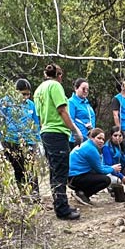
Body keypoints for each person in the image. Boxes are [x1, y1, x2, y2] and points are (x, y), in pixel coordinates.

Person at [34, 63, 84, 220]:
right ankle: (62, 209)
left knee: (54, 171)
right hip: (57, 132)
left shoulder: (38, 90)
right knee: (61, 172)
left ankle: (60, 204)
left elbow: (39, 115)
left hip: (46, 132)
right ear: (59, 75)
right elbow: (62, 110)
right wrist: (75, 130)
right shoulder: (55, 86)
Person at [0, 78, 42, 200]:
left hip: (28, 141)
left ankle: (35, 196)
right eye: (23, 94)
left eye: (28, 94)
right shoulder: (6, 102)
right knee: (18, 169)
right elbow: (0, 120)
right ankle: (23, 194)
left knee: (31, 169)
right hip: (11, 140)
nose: (26, 97)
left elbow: (35, 124)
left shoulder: (30, 105)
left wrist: (38, 141)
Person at [69, 128, 125, 204]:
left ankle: (80, 191)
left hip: (73, 176)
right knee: (106, 180)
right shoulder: (91, 149)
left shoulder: (87, 145)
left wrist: (112, 168)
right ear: (91, 138)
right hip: (75, 178)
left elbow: (99, 166)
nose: (101, 141)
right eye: (99, 138)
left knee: (98, 174)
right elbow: (100, 170)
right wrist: (113, 169)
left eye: (103, 139)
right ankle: (83, 194)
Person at [103, 126, 125, 195]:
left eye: (120, 136)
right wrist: (122, 177)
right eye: (115, 135)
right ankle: (111, 188)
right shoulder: (106, 147)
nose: (117, 138)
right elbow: (109, 167)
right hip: (111, 172)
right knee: (116, 181)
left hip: (123, 169)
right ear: (111, 136)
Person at [68, 77, 96, 148]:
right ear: (76, 88)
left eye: (87, 90)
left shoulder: (87, 103)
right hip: (77, 140)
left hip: (89, 139)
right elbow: (70, 120)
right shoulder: (71, 102)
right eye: (83, 89)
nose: (86, 91)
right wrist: (77, 133)